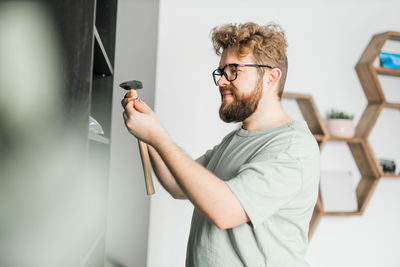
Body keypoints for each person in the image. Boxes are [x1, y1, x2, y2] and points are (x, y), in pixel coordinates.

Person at [121, 22, 320, 267]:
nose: (222, 81)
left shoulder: (292, 148)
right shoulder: (237, 139)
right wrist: (149, 138)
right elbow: (178, 184)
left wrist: (158, 137)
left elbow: (225, 211)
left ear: (271, 77)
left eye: (234, 70)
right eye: (221, 72)